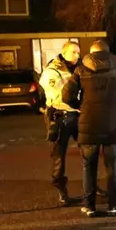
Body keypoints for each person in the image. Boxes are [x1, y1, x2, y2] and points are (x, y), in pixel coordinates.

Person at [62, 40, 116, 217]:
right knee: (112, 166)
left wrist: (81, 106)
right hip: (112, 124)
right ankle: (114, 204)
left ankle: (89, 206)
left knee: (88, 166)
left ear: (91, 53)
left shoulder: (81, 70)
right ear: (107, 52)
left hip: (88, 124)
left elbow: (66, 96)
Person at [39, 41, 81, 205]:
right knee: (59, 156)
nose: (77, 55)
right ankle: (61, 191)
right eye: (73, 52)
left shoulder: (78, 68)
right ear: (63, 53)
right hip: (60, 117)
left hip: (77, 115)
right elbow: (57, 96)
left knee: (88, 150)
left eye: (78, 52)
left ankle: (91, 184)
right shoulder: (52, 71)